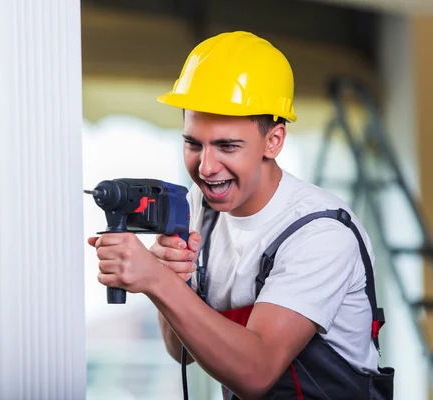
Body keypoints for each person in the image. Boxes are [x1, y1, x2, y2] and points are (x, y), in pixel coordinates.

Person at [87, 31, 394, 399]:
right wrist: (172, 279)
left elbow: (256, 373)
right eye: (192, 143)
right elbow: (180, 351)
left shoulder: (321, 234)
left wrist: (156, 280)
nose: (206, 167)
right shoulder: (205, 213)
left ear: (274, 141)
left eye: (227, 146)